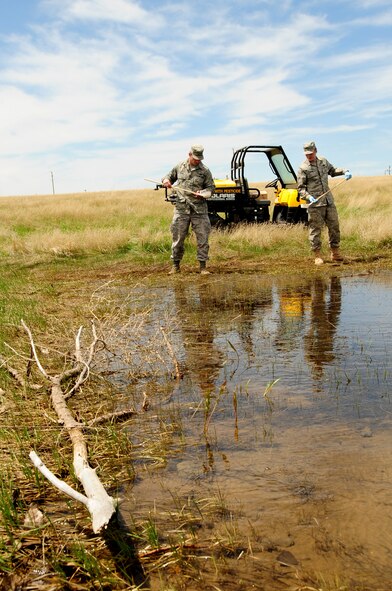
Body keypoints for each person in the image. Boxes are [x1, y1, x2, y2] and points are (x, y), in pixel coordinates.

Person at [162, 144, 215, 275]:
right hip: (181, 209)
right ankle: (175, 266)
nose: (197, 161)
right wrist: (166, 181)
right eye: (195, 158)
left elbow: (211, 189)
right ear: (189, 154)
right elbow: (167, 177)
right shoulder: (179, 167)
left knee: (203, 239)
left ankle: (203, 267)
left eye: (199, 159)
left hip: (199, 210)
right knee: (178, 239)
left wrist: (203, 193)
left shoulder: (205, 171)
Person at [297, 141, 352, 265]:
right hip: (315, 204)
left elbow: (332, 171)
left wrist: (344, 171)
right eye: (306, 154)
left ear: (315, 150)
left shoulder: (323, 162)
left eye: (310, 153)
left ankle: (335, 253)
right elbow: (301, 188)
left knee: (334, 227)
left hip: (328, 201)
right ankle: (317, 255)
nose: (309, 156)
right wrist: (308, 197)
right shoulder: (303, 168)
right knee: (315, 229)